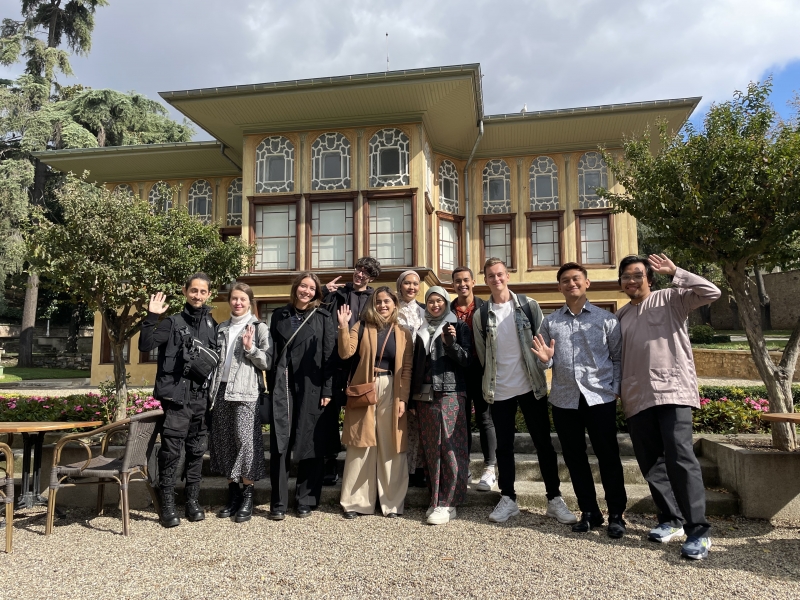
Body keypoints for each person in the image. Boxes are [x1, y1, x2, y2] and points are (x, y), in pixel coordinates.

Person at [617, 254, 720, 560]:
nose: (631, 281)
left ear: (649, 278)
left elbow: (711, 292)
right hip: (637, 396)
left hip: (672, 391)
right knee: (651, 463)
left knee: (680, 457)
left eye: (637, 275)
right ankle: (670, 520)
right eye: (626, 276)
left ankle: (698, 530)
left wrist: (676, 272)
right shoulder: (621, 316)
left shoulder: (671, 298)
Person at [473, 257, 576, 525]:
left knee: (543, 444)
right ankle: (508, 498)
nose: (496, 279)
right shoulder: (481, 315)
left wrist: (545, 362)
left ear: (507, 276)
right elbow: (483, 356)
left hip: (531, 386)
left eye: (500, 274)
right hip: (500, 389)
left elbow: (541, 343)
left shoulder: (528, 306)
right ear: (485, 280)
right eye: (491, 276)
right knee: (504, 447)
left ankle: (554, 498)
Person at [532, 262, 626, 537]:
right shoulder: (551, 322)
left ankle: (617, 514)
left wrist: (615, 388)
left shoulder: (606, 319)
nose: (571, 283)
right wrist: (545, 361)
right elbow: (544, 360)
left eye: (576, 279)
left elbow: (618, 357)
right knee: (574, 458)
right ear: (559, 287)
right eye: (565, 280)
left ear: (587, 283)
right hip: (565, 399)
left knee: (608, 456)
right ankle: (589, 511)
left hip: (599, 397)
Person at [138, 273, 218, 528]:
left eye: (203, 292)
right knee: (171, 452)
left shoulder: (212, 325)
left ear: (208, 294)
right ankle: (168, 504)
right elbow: (145, 345)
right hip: (176, 400)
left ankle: (192, 501)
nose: (198, 295)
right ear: (185, 292)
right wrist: (152, 317)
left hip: (201, 399)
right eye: (193, 290)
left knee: (196, 451)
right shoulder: (172, 322)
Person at [336, 286, 413, 519]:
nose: (382, 305)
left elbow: (407, 369)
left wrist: (403, 399)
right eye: (378, 301)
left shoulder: (403, 332)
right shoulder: (361, 326)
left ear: (395, 304)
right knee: (361, 444)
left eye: (387, 301)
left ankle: (392, 503)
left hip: (392, 387)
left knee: (391, 445)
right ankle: (356, 502)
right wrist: (343, 326)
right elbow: (345, 353)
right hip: (365, 386)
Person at [266, 272, 335, 520]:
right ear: (296, 288)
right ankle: (278, 502)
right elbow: (272, 352)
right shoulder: (279, 315)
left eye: (312, 288)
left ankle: (305, 499)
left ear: (317, 293)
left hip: (312, 386)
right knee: (280, 443)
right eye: (303, 286)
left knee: (310, 441)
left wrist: (327, 389)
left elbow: (329, 355)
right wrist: (271, 384)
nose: (306, 291)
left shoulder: (323, 317)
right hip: (283, 386)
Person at [208, 282, 272, 523]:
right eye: (234, 298)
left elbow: (267, 362)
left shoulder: (259, 327)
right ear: (229, 301)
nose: (238, 302)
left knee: (246, 443)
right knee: (225, 442)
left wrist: (250, 348)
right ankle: (233, 494)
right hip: (220, 391)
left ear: (250, 302)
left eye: (243, 299)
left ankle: (247, 496)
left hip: (246, 392)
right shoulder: (221, 328)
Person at [411, 287, 471, 525]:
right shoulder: (421, 329)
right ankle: (435, 499)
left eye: (439, 301)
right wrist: (412, 397)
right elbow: (417, 366)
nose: (435, 305)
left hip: (450, 392)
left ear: (446, 303)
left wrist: (450, 344)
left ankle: (449, 501)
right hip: (425, 395)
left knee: (450, 446)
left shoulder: (459, 326)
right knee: (430, 449)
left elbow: (466, 361)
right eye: (430, 301)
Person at [321, 257, 382, 486]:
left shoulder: (374, 299)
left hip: (362, 364)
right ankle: (329, 461)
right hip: (335, 361)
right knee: (330, 413)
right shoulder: (337, 294)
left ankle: (361, 464)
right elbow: (314, 307)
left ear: (371, 278)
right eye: (358, 269)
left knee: (361, 413)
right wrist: (323, 291)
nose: (360, 274)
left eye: (366, 272)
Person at [450, 266, 497, 492]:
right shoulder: (448, 310)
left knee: (485, 418)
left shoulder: (485, 308)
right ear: (453, 285)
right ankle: (464, 465)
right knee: (462, 421)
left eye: (466, 280)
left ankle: (490, 468)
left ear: (473, 282)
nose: (462, 284)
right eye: (458, 281)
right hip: (456, 371)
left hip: (481, 369)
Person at [395, 269, 427, 488]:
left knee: (418, 421)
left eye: (415, 283)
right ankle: (400, 469)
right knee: (400, 421)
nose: (412, 287)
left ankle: (418, 469)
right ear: (400, 285)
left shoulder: (425, 311)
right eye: (407, 283)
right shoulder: (391, 309)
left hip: (420, 372)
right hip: (397, 370)